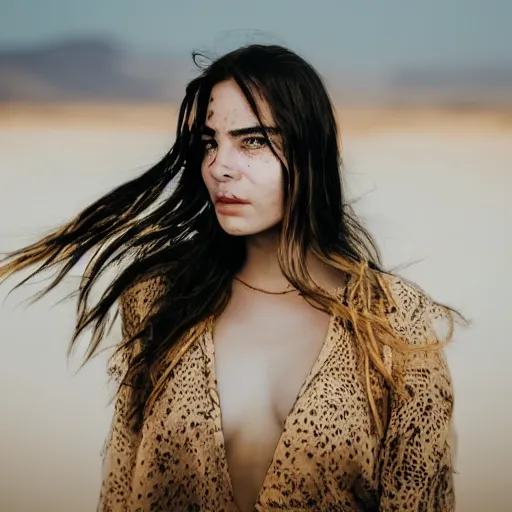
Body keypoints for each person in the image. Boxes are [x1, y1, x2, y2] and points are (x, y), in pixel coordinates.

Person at [0, 44, 466, 512]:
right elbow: (121, 492)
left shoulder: (393, 325)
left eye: (253, 141)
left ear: (309, 151)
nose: (220, 166)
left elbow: (419, 499)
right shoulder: (160, 300)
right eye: (210, 143)